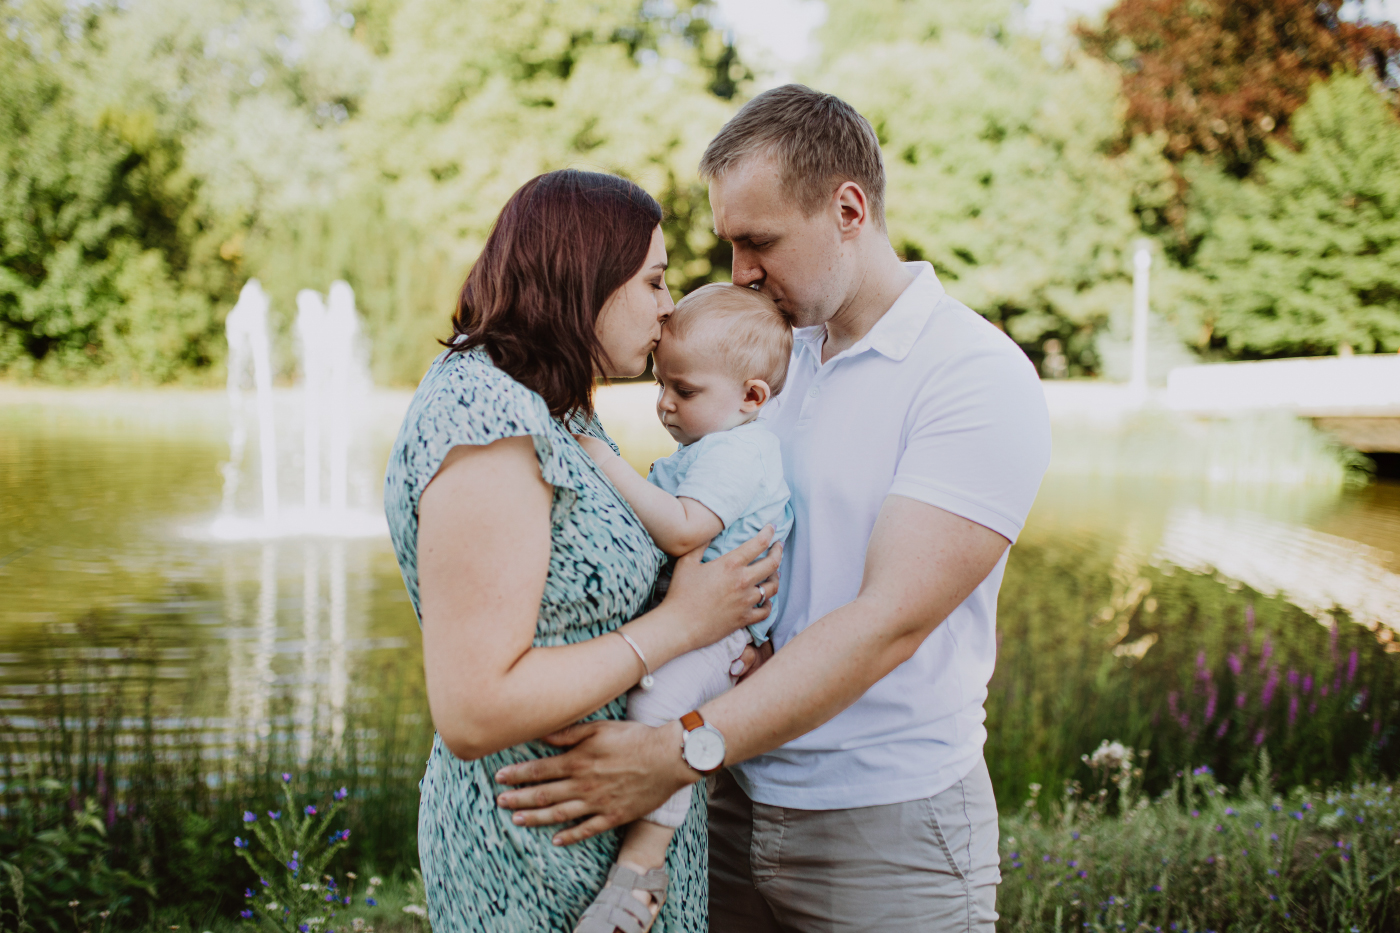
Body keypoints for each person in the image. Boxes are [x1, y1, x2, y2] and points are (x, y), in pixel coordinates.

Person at [494, 86, 1053, 932]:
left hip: (884, 828)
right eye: (729, 245)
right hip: (726, 800)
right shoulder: (762, 356)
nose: (740, 273)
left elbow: (885, 623)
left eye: (759, 243)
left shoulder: (973, 376)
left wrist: (676, 749)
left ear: (848, 209)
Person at [382, 169, 783, 933]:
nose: (669, 308)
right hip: (536, 841)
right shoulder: (487, 417)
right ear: (584, 277)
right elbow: (474, 708)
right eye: (654, 281)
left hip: (602, 829)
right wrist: (682, 628)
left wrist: (730, 651)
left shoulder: (554, 403)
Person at [570, 283, 794, 932]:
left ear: (752, 397)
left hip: (722, 637)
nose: (665, 403)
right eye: (660, 385)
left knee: (657, 709)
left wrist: (605, 460)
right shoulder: (711, 447)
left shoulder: (738, 452)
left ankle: (641, 871)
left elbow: (684, 530)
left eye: (685, 391)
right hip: (704, 624)